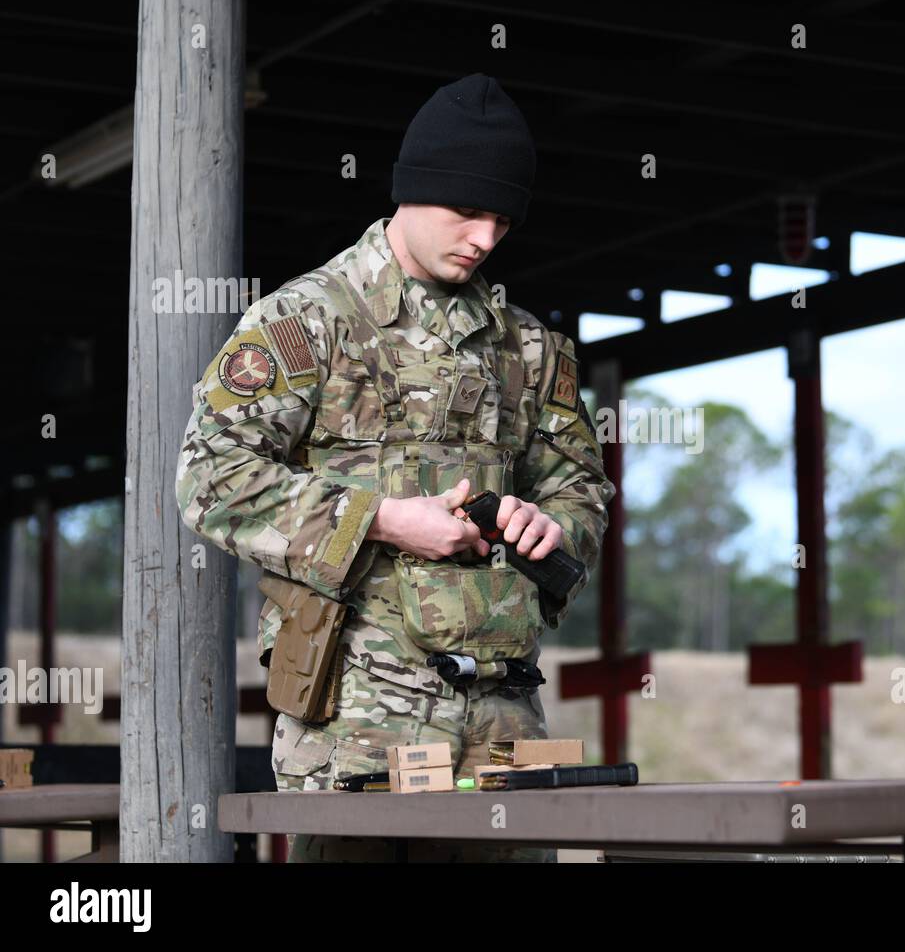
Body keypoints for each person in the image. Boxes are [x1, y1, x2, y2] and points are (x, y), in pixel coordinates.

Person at [175, 72, 615, 862]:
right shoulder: (307, 321)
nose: (484, 237)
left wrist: (549, 525)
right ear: (412, 192)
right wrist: (381, 520)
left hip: (502, 720)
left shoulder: (528, 347)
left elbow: (581, 488)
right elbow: (210, 478)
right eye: (467, 212)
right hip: (357, 720)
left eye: (502, 220)